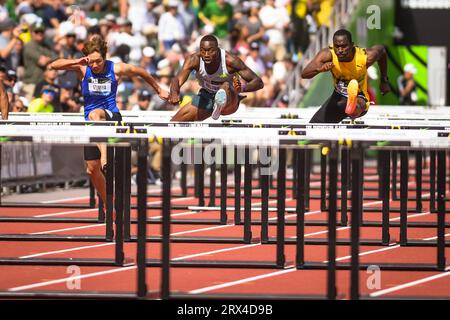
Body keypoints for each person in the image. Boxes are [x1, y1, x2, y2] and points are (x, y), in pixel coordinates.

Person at [48, 35, 169, 205]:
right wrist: (78, 61)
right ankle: (109, 204)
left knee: (95, 114)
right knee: (91, 170)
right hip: (92, 124)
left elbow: (140, 71)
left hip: (111, 118)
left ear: (105, 57)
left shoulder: (116, 68)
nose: (95, 65)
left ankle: (105, 159)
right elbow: (54, 65)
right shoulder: (83, 68)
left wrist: (159, 90)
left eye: (99, 61)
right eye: (92, 62)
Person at [301, 29, 390, 123]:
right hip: (338, 97)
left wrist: (384, 80)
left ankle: (352, 105)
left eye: (344, 46)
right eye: (337, 46)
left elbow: (382, 51)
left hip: (360, 95)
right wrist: (319, 69)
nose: (340, 50)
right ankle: (350, 105)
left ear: (352, 45)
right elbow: (304, 74)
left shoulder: (365, 56)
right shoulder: (327, 55)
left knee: (356, 106)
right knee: (314, 126)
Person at [168, 34, 264, 121]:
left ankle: (219, 104)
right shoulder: (194, 60)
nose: (206, 55)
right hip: (207, 97)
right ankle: (215, 107)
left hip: (230, 100)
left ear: (217, 50)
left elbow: (258, 82)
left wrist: (242, 88)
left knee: (225, 86)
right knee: (175, 122)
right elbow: (177, 79)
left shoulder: (231, 61)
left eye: (210, 51)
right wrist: (174, 92)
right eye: (203, 51)